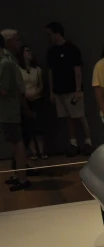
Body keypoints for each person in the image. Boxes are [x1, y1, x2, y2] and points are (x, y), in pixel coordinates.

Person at [45, 22, 93, 157]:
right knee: (67, 118)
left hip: (72, 90)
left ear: (57, 33)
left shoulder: (72, 49)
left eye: (50, 34)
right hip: (59, 91)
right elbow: (50, 72)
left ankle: (88, 142)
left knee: (80, 115)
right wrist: (52, 91)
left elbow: (77, 70)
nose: (49, 37)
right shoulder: (51, 51)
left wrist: (78, 89)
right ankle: (73, 144)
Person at [0, 29, 31, 191]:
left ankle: (22, 178)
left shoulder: (5, 62)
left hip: (10, 109)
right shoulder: (9, 59)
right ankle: (19, 175)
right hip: (9, 109)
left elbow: (5, 90)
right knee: (15, 142)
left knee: (17, 142)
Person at [19, 45, 48, 159]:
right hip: (25, 100)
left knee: (39, 126)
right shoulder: (18, 69)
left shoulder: (37, 69)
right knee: (27, 126)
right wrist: (25, 95)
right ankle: (33, 151)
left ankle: (41, 151)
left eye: (30, 51)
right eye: (26, 51)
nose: (29, 53)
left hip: (37, 99)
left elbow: (41, 85)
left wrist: (35, 94)